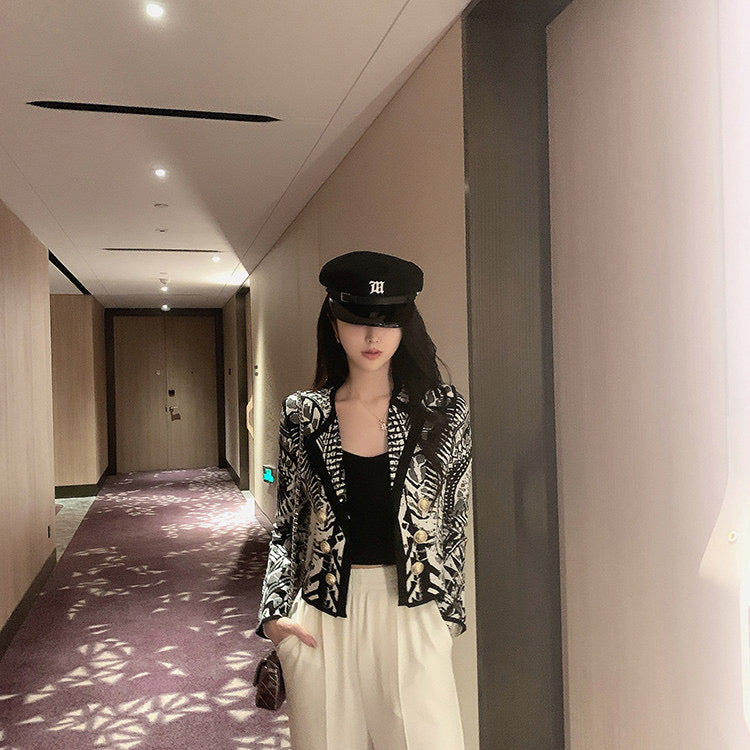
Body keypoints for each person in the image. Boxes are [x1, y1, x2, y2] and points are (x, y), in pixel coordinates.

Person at [256, 250, 472, 750]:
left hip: (412, 609)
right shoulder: (303, 414)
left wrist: (446, 620)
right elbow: (288, 524)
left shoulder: (442, 412)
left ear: (406, 324)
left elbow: (455, 522)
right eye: (357, 320)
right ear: (334, 324)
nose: (373, 337)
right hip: (322, 615)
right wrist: (273, 614)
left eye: (388, 320)